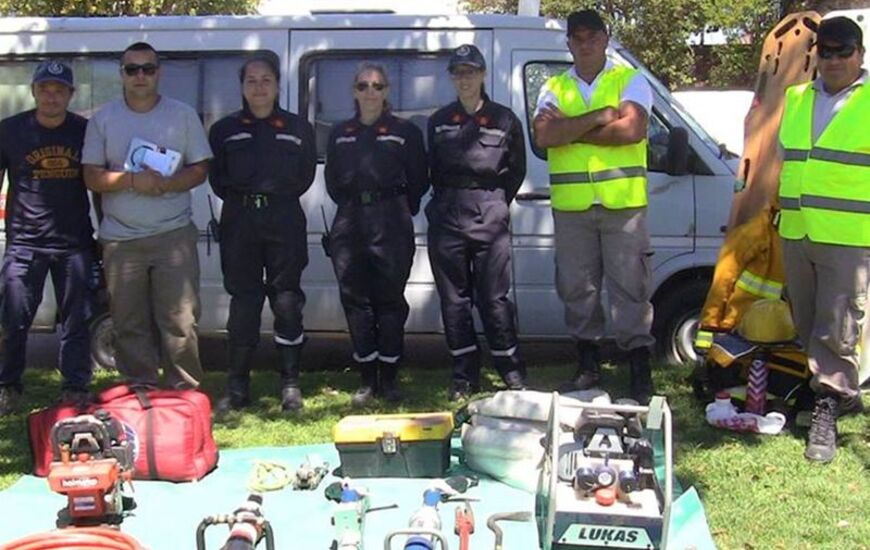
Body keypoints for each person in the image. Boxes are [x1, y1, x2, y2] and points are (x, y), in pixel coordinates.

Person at [532, 10, 655, 403]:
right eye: (577, 38)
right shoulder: (552, 86)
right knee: (577, 289)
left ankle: (639, 370)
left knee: (630, 289)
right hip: (572, 208)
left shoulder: (630, 79)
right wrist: (602, 117)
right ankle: (587, 367)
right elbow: (545, 136)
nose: (585, 44)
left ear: (606, 39)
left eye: (592, 36)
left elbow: (633, 129)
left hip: (623, 206)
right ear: (568, 43)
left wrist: (574, 129)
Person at [82, 42, 212, 390]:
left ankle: (184, 397)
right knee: (129, 324)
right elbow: (91, 176)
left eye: (148, 68)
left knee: (181, 322)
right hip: (121, 241)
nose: (140, 75)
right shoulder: (103, 119)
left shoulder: (182, 115)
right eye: (132, 69)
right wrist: (131, 180)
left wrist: (170, 184)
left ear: (159, 72)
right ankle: (142, 395)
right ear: (122, 74)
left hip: (173, 237)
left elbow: (200, 168)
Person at [777, 16, 868, 463]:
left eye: (843, 51)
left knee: (837, 327)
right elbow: (787, 163)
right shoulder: (795, 98)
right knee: (808, 320)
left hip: (848, 237)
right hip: (797, 231)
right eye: (825, 52)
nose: (833, 60)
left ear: (860, 54)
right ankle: (834, 392)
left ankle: (828, 405)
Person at [208, 53, 316, 412]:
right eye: (251, 80)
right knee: (244, 303)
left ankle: (290, 383)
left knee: (287, 300)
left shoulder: (299, 128)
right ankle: (238, 386)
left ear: (277, 85)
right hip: (240, 219)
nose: (259, 87)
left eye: (266, 80)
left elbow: (304, 177)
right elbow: (219, 179)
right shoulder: (224, 130)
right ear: (242, 87)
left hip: (284, 216)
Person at [426, 45, 528, 400]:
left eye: (470, 71)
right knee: (454, 300)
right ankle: (464, 375)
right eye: (458, 73)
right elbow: (434, 170)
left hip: (489, 210)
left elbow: (516, 171)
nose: (464, 79)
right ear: (452, 78)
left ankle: (511, 370)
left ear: (483, 75)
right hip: (449, 212)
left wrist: (495, 202)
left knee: (494, 299)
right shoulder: (439, 121)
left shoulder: (504, 119)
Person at [324, 62, 427, 406]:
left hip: (391, 221)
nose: (371, 92)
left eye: (378, 86)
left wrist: (396, 207)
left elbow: (418, 179)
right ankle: (367, 378)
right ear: (354, 91)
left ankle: (390, 377)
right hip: (350, 221)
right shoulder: (340, 133)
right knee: (356, 301)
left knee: (390, 300)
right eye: (364, 85)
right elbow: (334, 183)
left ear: (387, 92)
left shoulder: (404, 132)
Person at [0, 61, 95, 415]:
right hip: (25, 243)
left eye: (59, 90)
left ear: (70, 94)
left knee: (77, 321)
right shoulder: (10, 130)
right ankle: (8, 386)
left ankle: (75, 388)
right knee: (13, 319)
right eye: (45, 89)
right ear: (34, 92)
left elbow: (97, 184)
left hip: (74, 242)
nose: (52, 96)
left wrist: (103, 231)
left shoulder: (85, 131)